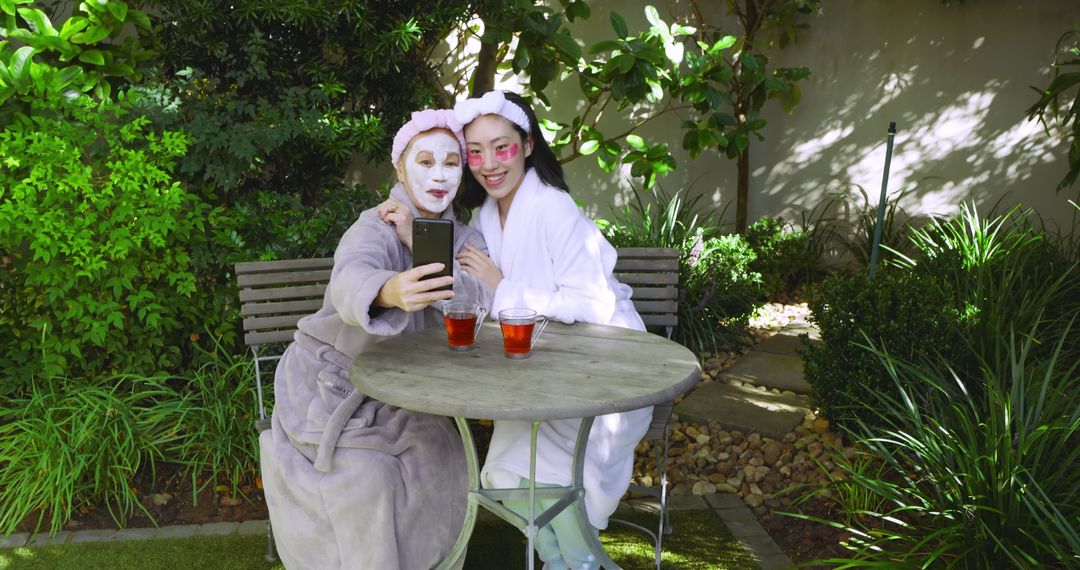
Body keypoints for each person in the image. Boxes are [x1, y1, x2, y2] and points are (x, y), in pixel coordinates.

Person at [259, 108, 493, 570]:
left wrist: (421, 241)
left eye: (451, 163)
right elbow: (351, 277)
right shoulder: (375, 224)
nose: (440, 175)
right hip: (330, 384)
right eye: (425, 162)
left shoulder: (468, 238)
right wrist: (388, 290)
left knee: (437, 460)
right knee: (364, 477)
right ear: (400, 168)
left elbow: (477, 302)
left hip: (409, 397)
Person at [452, 90, 653, 570]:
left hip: (603, 373)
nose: (488, 163)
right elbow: (476, 291)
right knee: (503, 472)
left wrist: (506, 288)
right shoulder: (485, 215)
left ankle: (579, 563)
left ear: (525, 146)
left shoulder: (554, 208)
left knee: (555, 473)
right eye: (475, 152)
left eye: (501, 147)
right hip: (539, 374)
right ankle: (559, 560)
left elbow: (591, 304)